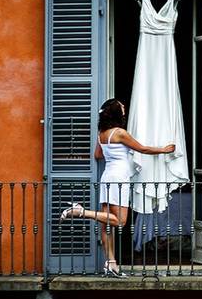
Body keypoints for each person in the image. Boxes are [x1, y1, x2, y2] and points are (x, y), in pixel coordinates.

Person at [60, 98, 175, 278]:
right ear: (115, 112)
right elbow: (142, 149)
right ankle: (80, 211)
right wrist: (164, 150)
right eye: (121, 107)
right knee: (120, 221)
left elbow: (97, 155)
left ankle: (111, 264)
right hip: (119, 177)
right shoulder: (119, 133)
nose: (124, 109)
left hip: (107, 176)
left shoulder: (102, 133)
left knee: (107, 224)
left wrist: (113, 154)